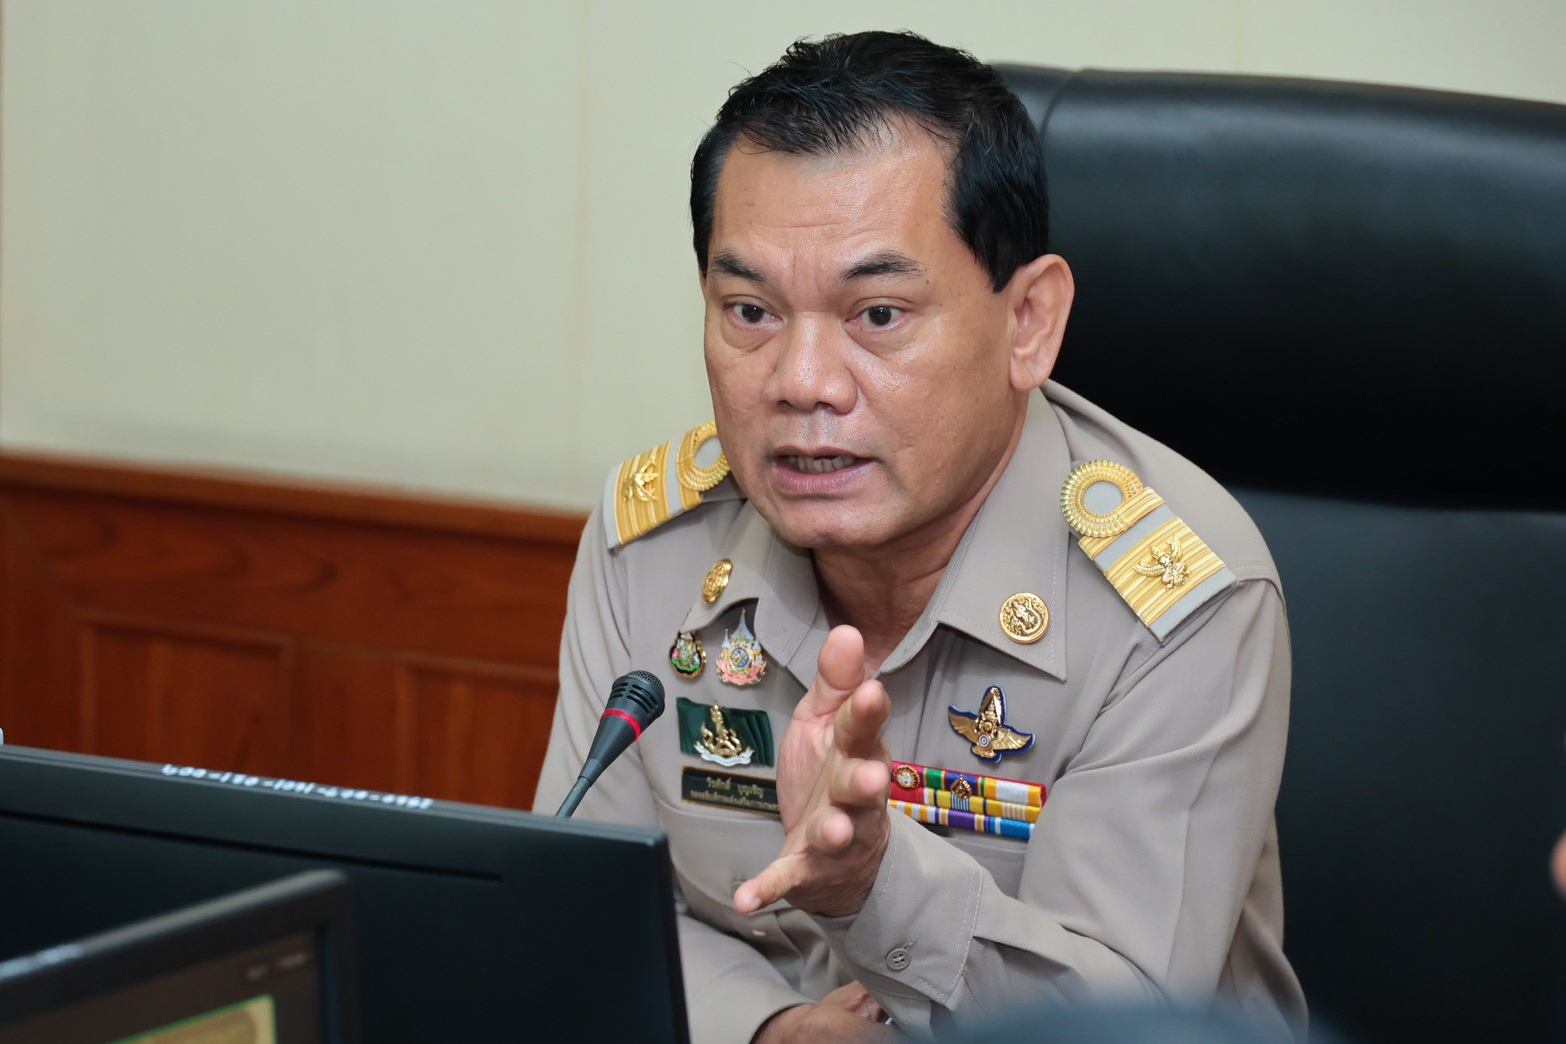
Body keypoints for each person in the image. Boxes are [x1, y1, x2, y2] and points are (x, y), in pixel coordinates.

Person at [536, 30, 1305, 1043]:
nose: (802, 382)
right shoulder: (655, 546)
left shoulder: (1179, 604)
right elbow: (588, 915)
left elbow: (1123, 1026)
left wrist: (874, 888)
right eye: (750, 310)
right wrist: (770, 1028)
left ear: (1028, 322)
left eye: (878, 314)